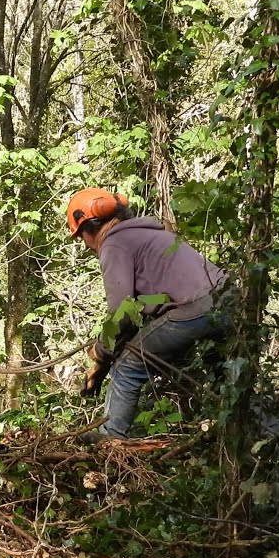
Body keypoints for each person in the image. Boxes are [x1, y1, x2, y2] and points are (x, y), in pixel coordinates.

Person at [66, 188, 229, 442]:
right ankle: (270, 434)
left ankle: (111, 438)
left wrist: (101, 353)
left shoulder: (114, 243)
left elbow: (121, 311)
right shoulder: (144, 234)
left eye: (81, 238)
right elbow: (139, 309)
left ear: (90, 226)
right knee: (229, 373)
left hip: (195, 308)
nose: (86, 246)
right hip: (229, 300)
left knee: (129, 365)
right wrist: (101, 363)